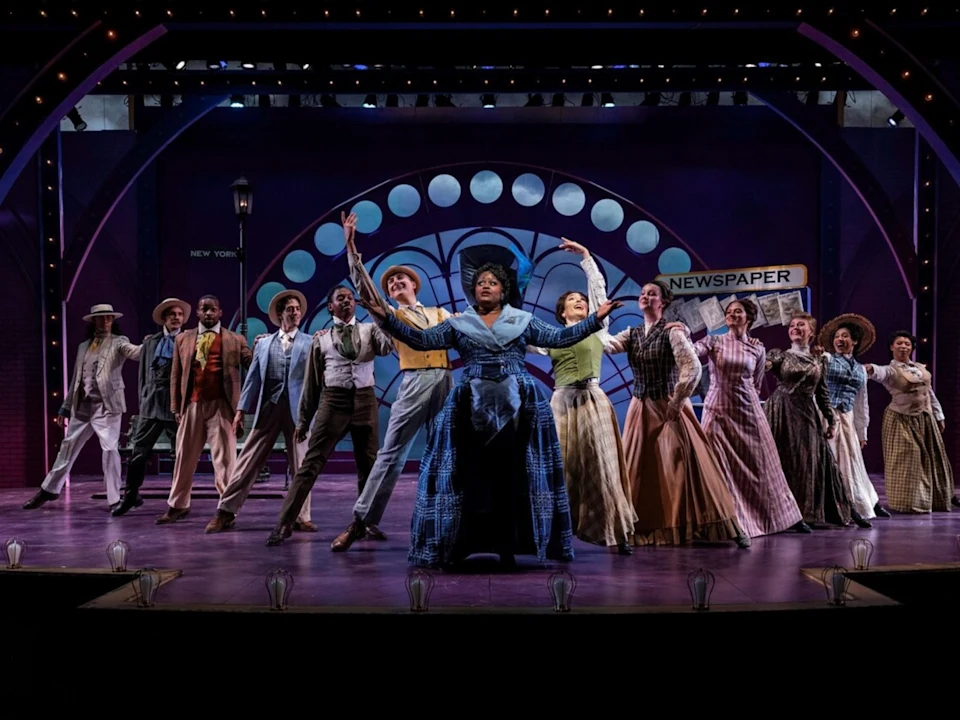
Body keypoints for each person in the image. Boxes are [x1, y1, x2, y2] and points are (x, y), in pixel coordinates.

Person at [362, 244, 622, 569]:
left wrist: (596, 319)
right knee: (468, 476)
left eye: (492, 282)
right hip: (469, 405)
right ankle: (460, 544)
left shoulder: (522, 321)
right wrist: (386, 318)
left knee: (511, 477)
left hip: (518, 406)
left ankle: (508, 545)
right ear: (473, 290)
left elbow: (558, 338)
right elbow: (423, 340)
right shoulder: (459, 324)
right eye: (480, 282)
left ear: (503, 290)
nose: (485, 286)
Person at [329, 211, 454, 551]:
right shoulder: (390, 316)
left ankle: (444, 523)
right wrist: (351, 248)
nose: (396, 283)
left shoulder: (441, 314)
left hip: (445, 382)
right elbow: (365, 289)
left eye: (401, 279)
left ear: (414, 285)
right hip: (414, 382)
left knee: (446, 453)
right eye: (391, 283)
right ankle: (360, 521)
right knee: (391, 454)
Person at [604, 282, 751, 548]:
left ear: (663, 302)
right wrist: (596, 318)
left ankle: (724, 525)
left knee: (683, 462)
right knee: (638, 466)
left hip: (668, 404)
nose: (646, 297)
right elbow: (607, 345)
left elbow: (692, 367)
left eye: (652, 294)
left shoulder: (672, 331)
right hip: (641, 406)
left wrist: (677, 400)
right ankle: (634, 527)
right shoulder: (632, 333)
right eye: (643, 293)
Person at [528, 238, 636, 554]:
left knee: (602, 464)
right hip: (561, 402)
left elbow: (599, 295)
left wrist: (587, 257)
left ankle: (617, 532)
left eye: (582, 300)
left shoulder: (597, 329)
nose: (580, 302)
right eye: (572, 300)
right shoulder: (552, 337)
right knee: (560, 467)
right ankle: (555, 537)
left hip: (592, 399)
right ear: (562, 312)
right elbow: (518, 336)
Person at [265, 284, 394, 546]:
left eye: (350, 298)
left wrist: (380, 315)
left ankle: (366, 522)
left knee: (368, 466)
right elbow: (312, 383)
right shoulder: (321, 339)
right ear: (330, 306)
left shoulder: (370, 330)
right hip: (333, 401)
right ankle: (285, 522)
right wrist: (303, 420)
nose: (347, 301)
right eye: (340, 298)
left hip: (365, 401)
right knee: (311, 463)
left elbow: (386, 347)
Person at [690, 298, 807, 537]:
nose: (732, 315)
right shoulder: (714, 341)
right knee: (715, 465)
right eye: (729, 311)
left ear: (749, 318)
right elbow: (691, 353)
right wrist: (681, 333)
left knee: (762, 466)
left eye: (738, 312)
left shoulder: (757, 348)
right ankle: (727, 521)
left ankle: (781, 517)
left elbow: (756, 383)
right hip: (718, 411)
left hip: (748, 411)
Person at [204, 290, 317, 533]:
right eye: (290, 309)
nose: (295, 313)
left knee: (301, 465)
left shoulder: (311, 342)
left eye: (298, 309)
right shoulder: (263, 344)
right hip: (269, 408)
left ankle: (301, 516)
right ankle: (225, 512)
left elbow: (317, 380)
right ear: (280, 314)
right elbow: (252, 379)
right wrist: (240, 411)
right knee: (247, 461)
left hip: (298, 412)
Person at [23, 304, 142, 511]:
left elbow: (135, 352)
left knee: (110, 450)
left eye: (109, 318)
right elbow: (76, 380)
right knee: (67, 447)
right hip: (83, 406)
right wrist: (65, 407)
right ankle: (49, 489)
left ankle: (114, 499)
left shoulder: (119, 342)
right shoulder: (83, 346)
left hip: (107, 406)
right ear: (93, 321)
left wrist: (151, 344)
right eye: (101, 318)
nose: (105, 321)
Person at [764, 312, 870, 529]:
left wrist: (831, 420)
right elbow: (763, 365)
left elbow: (822, 394)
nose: (795, 328)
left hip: (806, 412)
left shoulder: (820, 360)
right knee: (782, 461)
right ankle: (783, 515)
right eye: (792, 325)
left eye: (801, 325)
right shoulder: (779, 355)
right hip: (781, 411)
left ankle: (817, 511)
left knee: (814, 461)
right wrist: (754, 355)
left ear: (811, 332)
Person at [156, 294, 253, 524]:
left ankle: (227, 510)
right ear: (198, 312)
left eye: (213, 309)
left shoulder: (235, 339)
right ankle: (178, 505)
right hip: (192, 404)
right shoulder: (184, 339)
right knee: (184, 457)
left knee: (226, 461)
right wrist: (175, 407)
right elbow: (176, 375)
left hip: (222, 406)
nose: (208, 313)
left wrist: (262, 346)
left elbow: (251, 363)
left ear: (220, 312)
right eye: (204, 309)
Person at [865, 330, 958, 513]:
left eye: (907, 344)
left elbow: (929, 393)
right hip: (901, 419)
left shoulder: (919, 369)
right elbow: (881, 372)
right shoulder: (892, 370)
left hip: (925, 418)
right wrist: (871, 368)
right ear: (892, 347)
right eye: (899, 343)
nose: (903, 346)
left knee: (933, 458)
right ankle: (908, 502)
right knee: (909, 457)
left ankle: (936, 499)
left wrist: (939, 415)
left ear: (912, 348)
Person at [113, 297, 189, 516]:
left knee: (180, 455)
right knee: (138, 453)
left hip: (176, 407)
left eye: (180, 315)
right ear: (164, 318)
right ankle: (130, 496)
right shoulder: (151, 342)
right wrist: (144, 400)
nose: (176, 318)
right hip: (151, 405)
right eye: (172, 314)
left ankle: (179, 502)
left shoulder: (188, 340)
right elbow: (143, 376)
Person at [819, 313, 890, 520]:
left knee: (852, 461)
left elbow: (861, 402)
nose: (840, 340)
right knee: (830, 457)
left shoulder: (860, 369)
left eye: (845, 336)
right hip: (826, 413)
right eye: (837, 337)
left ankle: (864, 502)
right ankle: (830, 505)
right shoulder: (827, 359)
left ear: (855, 341)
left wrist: (862, 432)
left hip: (847, 416)